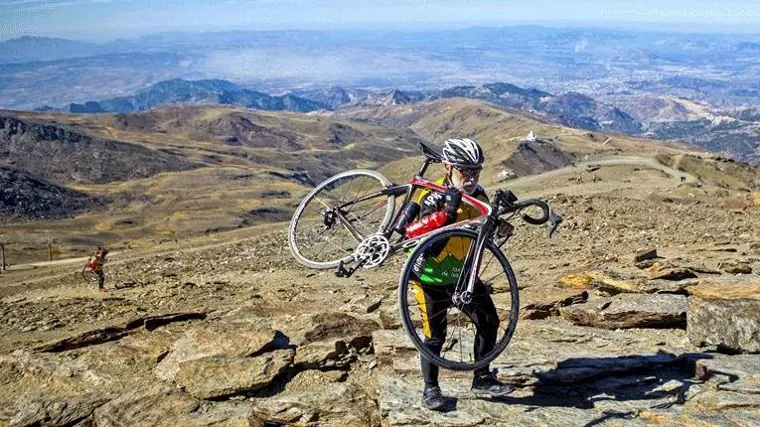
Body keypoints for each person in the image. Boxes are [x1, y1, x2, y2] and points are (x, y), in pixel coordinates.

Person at [402, 138, 514, 411]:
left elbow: (486, 236)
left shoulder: (479, 197)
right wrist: (448, 213)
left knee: (489, 321)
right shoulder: (431, 197)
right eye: (465, 171)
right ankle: (431, 389)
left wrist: (501, 222)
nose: (472, 177)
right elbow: (429, 248)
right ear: (448, 167)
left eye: (477, 170)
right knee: (434, 337)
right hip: (429, 279)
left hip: (463, 276)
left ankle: (483, 377)